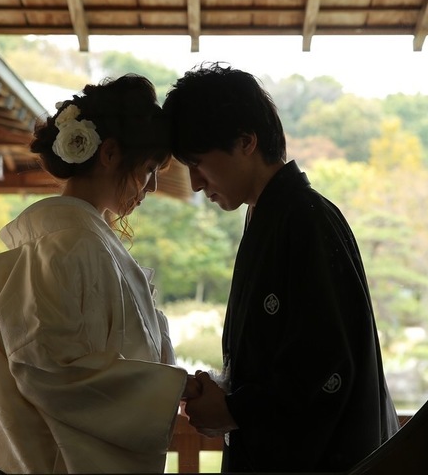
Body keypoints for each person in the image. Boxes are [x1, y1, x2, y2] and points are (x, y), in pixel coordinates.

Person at [162, 62, 400, 473]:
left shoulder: (306, 219)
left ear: (246, 142)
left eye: (198, 162)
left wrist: (235, 408)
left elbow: (326, 370)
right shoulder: (269, 216)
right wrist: (225, 393)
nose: (196, 183)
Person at [0, 74, 198, 474]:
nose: (152, 186)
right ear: (108, 154)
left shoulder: (77, 243)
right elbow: (50, 368)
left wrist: (171, 381)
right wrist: (177, 385)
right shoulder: (71, 246)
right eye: (149, 168)